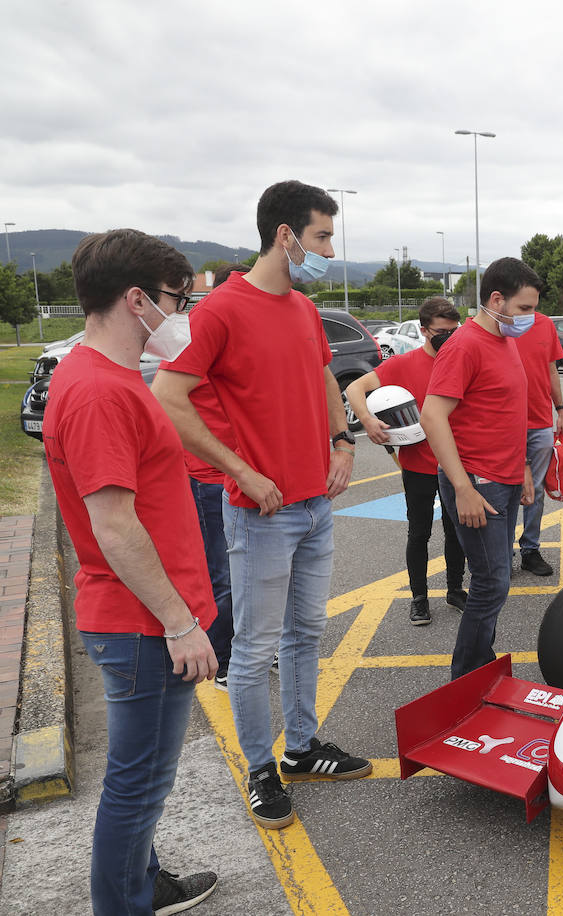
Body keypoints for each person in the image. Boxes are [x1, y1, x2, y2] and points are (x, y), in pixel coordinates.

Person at [153, 180, 371, 831]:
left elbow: (326, 380)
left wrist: (342, 442)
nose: (330, 249)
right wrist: (239, 470)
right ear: (286, 235)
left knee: (306, 634)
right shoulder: (222, 310)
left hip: (314, 506)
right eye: (323, 236)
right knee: (253, 648)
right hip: (261, 514)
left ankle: (301, 749)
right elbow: (169, 396)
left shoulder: (303, 310)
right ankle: (259, 768)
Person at [46, 229, 219, 913]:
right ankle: (123, 902)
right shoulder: (96, 392)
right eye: (178, 300)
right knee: (138, 783)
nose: (182, 316)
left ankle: (143, 882)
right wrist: (179, 623)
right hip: (144, 624)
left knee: (141, 777)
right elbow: (113, 525)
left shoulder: (109, 376)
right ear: (138, 298)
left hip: (145, 617)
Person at [420, 257, 541, 679]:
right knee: (491, 583)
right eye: (524, 308)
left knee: (494, 581)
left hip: (503, 481)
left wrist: (523, 466)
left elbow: (507, 412)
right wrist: (463, 487)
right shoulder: (465, 344)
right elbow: (432, 416)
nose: (531, 317)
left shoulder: (505, 343)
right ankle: (467, 679)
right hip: (477, 483)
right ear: (496, 300)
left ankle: (479, 669)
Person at [345, 296, 465, 625]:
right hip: (418, 465)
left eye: (455, 331)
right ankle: (419, 598)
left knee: (457, 531)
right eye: (442, 332)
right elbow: (356, 389)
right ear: (424, 330)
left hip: (456, 463)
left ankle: (455, 589)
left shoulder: (461, 359)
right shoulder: (402, 364)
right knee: (419, 533)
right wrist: (367, 421)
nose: (450, 338)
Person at [178, 262, 250, 690]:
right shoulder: (201, 335)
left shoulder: (237, 337)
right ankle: (223, 660)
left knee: (250, 569)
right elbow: (172, 402)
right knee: (222, 573)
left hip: (244, 473)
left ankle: (248, 646)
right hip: (210, 477)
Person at [512, 304, 563, 576]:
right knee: (506, 488)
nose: (528, 309)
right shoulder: (499, 324)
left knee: (535, 490)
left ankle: (530, 550)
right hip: (506, 423)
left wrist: (560, 409)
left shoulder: (545, 325)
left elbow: (552, 370)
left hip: (541, 421)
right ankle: (501, 551)